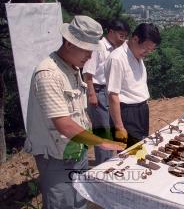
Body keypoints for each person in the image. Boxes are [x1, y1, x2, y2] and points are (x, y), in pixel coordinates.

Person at [24, 15, 126, 209]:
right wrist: (101, 142)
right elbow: (63, 123)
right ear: (70, 44)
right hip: (56, 157)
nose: (89, 57)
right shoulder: (48, 74)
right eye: (87, 51)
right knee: (61, 203)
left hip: (77, 151)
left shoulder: (72, 68)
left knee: (79, 200)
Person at [105, 23, 161, 147]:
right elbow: (113, 95)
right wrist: (119, 127)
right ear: (135, 39)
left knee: (142, 146)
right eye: (145, 49)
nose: (147, 53)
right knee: (129, 153)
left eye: (151, 50)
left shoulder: (137, 56)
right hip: (127, 113)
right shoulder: (117, 59)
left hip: (141, 110)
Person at [83, 19, 130, 165]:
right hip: (98, 91)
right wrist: (91, 94)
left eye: (124, 36)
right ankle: (104, 165)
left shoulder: (115, 49)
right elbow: (88, 73)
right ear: (111, 32)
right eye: (120, 35)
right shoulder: (99, 47)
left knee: (114, 126)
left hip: (109, 91)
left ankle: (113, 161)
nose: (122, 39)